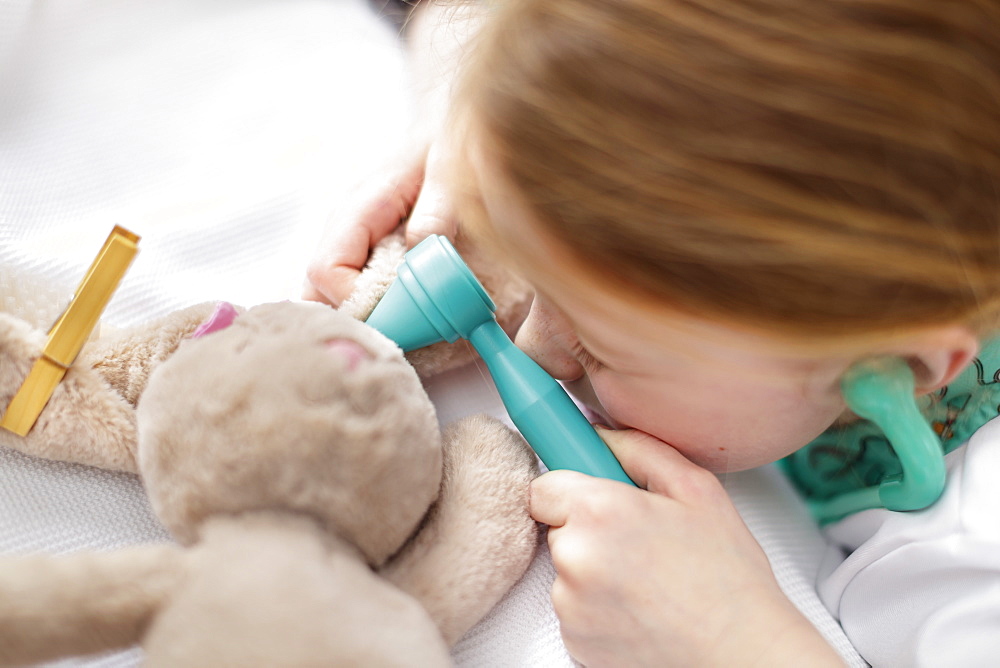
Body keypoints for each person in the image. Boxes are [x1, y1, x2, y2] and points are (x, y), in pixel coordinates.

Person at [305, 0, 1000, 665]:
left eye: (597, 347)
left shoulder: (969, 563)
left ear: (898, 365)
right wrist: (485, 108)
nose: (531, 347)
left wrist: (738, 641)